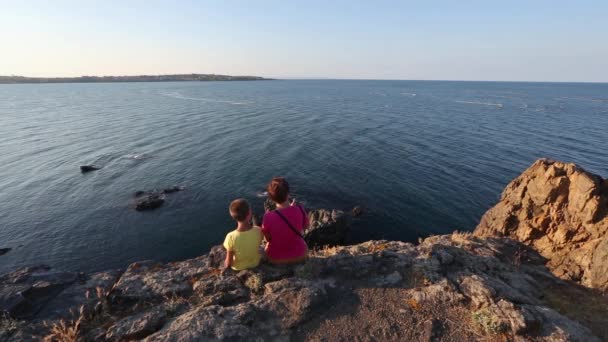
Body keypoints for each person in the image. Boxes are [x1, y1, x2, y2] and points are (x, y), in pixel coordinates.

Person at [262, 177, 309, 264]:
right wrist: (292, 210)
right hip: (299, 255)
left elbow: (267, 238)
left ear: (271, 198)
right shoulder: (300, 209)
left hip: (275, 258)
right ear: (288, 194)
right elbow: (306, 226)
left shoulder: (267, 217)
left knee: (267, 245)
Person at [223, 198, 263, 271]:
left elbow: (229, 262)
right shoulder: (258, 230)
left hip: (238, 267)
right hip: (255, 263)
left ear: (232, 216)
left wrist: (225, 265)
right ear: (249, 214)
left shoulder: (230, 236)